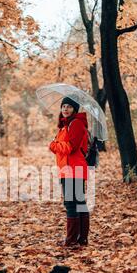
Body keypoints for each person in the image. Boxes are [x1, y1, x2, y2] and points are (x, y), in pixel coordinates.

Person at [49, 97, 89, 247]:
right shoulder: (65, 126)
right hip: (68, 169)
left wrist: (53, 145)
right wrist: (57, 144)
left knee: (72, 204)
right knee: (78, 203)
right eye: (63, 106)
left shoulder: (76, 124)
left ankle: (72, 240)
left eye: (69, 107)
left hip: (74, 169)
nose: (65, 109)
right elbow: (64, 147)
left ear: (75, 109)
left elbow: (70, 147)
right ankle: (81, 239)